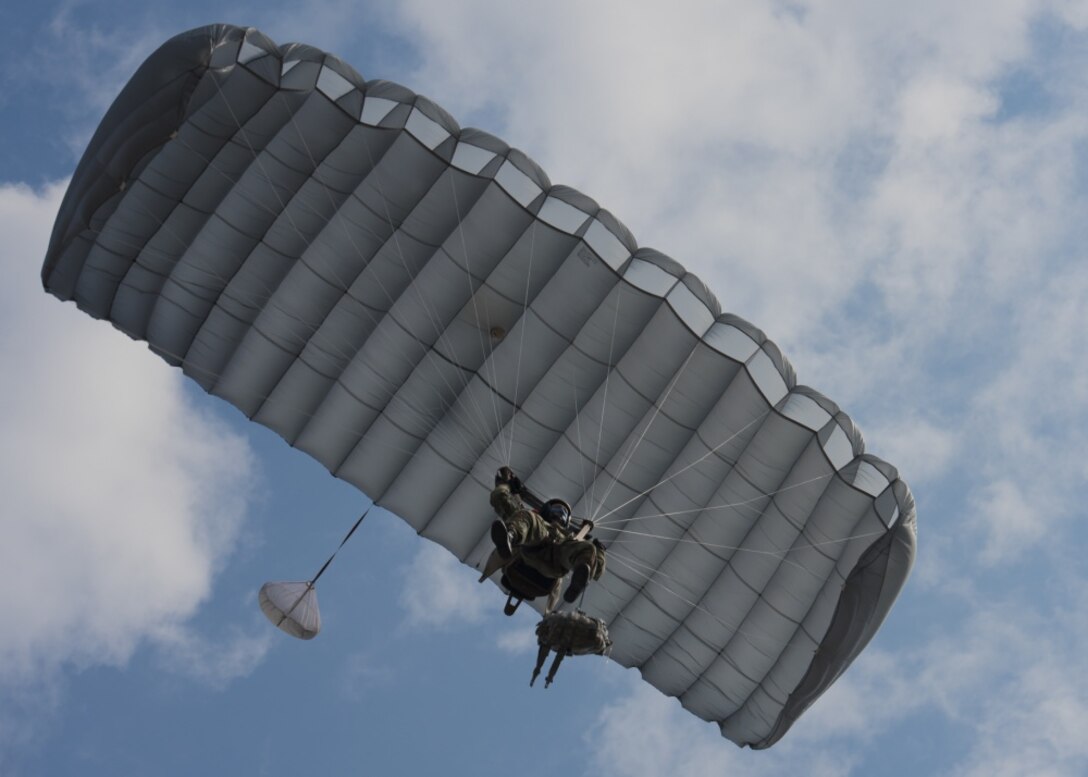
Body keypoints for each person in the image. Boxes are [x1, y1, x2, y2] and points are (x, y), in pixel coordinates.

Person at [489, 467, 606, 603]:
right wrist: (504, 484)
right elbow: (500, 500)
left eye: (563, 513)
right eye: (556, 509)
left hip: (556, 562)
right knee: (526, 516)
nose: (559, 514)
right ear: (547, 510)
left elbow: (597, 572)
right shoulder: (536, 521)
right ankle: (510, 537)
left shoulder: (569, 538)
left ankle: (579, 581)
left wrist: (599, 551)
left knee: (587, 548)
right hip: (529, 552)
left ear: (567, 521)